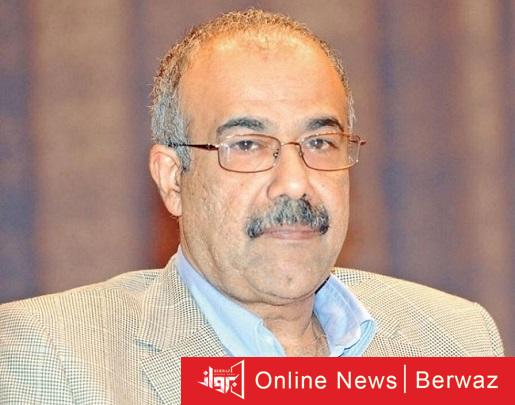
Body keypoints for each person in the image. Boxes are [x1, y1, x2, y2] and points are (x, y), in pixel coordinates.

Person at [0, 8, 503, 405]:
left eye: (320, 143)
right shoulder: (52, 356)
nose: (295, 183)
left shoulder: (456, 340)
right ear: (173, 179)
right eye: (247, 145)